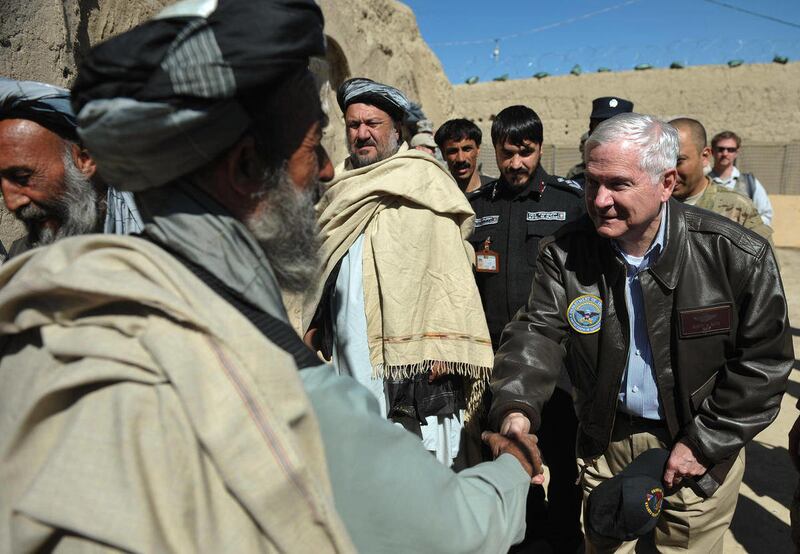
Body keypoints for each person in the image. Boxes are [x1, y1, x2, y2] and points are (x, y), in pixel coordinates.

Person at [0, 2, 540, 552]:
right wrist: (513, 470)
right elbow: (453, 533)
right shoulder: (280, 392)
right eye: (314, 146)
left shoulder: (43, 310)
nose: (328, 170)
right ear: (246, 166)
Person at [490, 112, 793, 553]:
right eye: (593, 182)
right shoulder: (567, 251)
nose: (599, 200)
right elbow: (535, 332)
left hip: (698, 450)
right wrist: (516, 408)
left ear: (667, 182)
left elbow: (764, 364)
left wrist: (705, 443)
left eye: (619, 184)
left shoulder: (735, 255)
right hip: (604, 444)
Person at [302, 77, 494, 468]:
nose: (362, 133)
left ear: (396, 129)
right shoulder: (338, 190)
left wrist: (447, 344)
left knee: (420, 470)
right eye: (354, 125)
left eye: (372, 124)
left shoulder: (425, 182)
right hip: (348, 358)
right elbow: (319, 271)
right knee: (358, 463)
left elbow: (451, 274)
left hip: (419, 366)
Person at [469, 104, 585, 553]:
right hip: (494, 365)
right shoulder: (478, 208)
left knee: (560, 456)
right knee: (509, 457)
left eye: (527, 152)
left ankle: (563, 538)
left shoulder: (569, 203)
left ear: (539, 147)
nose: (517, 164)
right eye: (507, 154)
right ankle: (524, 537)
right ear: (494, 151)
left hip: (557, 368)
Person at [0, 78, 142, 260]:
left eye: (22, 177)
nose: (11, 203)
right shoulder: (23, 258)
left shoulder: (171, 241)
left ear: (86, 160)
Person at [669, 118, 772, 240]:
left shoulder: (740, 206)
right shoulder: (653, 205)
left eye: (678, 161)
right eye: (662, 162)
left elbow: (762, 255)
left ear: (705, 156)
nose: (669, 171)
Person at [566, 96, 634, 186]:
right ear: (591, 132)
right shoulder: (576, 184)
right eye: (601, 128)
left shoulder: (644, 179)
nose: (607, 135)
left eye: (615, 129)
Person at [710, 130, 773, 225]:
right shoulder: (702, 181)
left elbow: (766, 214)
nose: (725, 153)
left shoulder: (749, 182)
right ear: (712, 151)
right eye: (721, 149)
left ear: (737, 152)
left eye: (730, 150)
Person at [434, 118, 493, 194]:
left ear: (478, 149)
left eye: (467, 149)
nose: (461, 159)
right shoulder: (437, 195)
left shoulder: (495, 192)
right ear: (443, 154)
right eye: (453, 151)